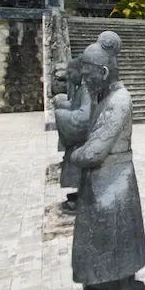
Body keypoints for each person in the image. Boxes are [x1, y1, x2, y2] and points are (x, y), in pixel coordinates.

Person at [69, 31, 145, 290]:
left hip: (113, 180)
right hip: (105, 179)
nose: (84, 80)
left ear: (103, 72)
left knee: (113, 239)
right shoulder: (104, 97)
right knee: (103, 239)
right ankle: (104, 285)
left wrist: (76, 156)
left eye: (89, 75)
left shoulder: (118, 101)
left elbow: (95, 151)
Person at [54, 57, 91, 213]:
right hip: (79, 141)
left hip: (83, 140)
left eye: (70, 73)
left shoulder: (86, 91)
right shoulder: (80, 90)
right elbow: (74, 105)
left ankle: (85, 198)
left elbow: (85, 117)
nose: (67, 76)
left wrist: (61, 114)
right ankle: (81, 194)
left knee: (80, 166)